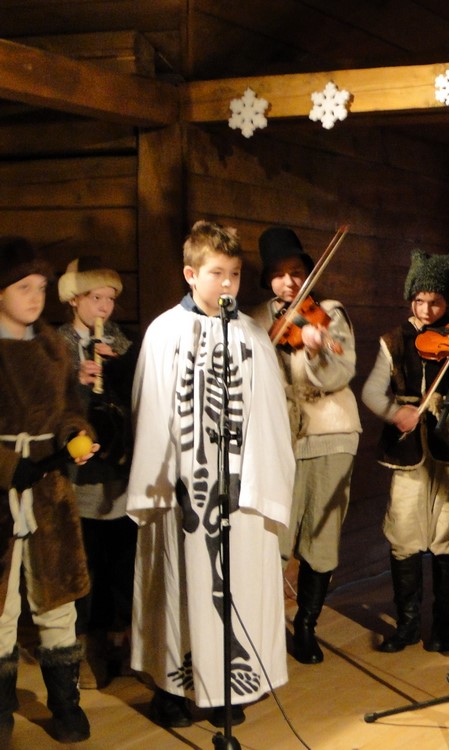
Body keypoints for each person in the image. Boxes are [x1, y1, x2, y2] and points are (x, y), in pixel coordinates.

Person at [127, 220, 295, 729]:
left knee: (236, 584)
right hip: (181, 489)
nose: (227, 284)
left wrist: (259, 480)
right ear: (190, 274)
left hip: (241, 489)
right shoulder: (164, 332)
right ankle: (172, 689)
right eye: (217, 273)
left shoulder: (251, 335)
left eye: (235, 274)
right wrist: (166, 478)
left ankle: (227, 687)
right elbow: (149, 410)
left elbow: (270, 417)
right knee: (178, 585)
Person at [0, 236, 99, 743]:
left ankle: (65, 705)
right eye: (24, 287)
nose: (35, 297)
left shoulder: (53, 348)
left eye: (41, 287)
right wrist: (6, 466)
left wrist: (76, 435)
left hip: (48, 489)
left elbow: (67, 411)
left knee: (57, 599)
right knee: (1, 606)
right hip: (3, 492)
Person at [251, 226, 361, 665]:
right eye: (279, 274)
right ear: (268, 279)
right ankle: (264, 627)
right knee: (274, 537)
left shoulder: (328, 313)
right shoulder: (255, 320)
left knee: (321, 533)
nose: (289, 282)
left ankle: (307, 625)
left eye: (296, 272)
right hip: (277, 436)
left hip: (329, 432)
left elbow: (343, 371)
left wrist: (317, 351)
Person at [361, 249, 449, 653]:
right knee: (405, 534)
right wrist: (397, 412)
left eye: (437, 302)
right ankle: (408, 624)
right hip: (409, 452)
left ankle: (446, 625)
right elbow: (371, 392)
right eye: (420, 300)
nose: (427, 310)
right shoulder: (393, 340)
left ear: (448, 301)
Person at [57, 257, 137, 689]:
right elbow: (50, 408)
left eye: (110, 299)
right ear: (74, 299)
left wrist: (119, 371)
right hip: (79, 473)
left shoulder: (119, 340)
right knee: (86, 564)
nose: (105, 307)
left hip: (118, 471)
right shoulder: (58, 344)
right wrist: (78, 382)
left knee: (122, 562)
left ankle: (122, 642)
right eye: (95, 298)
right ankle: (86, 649)